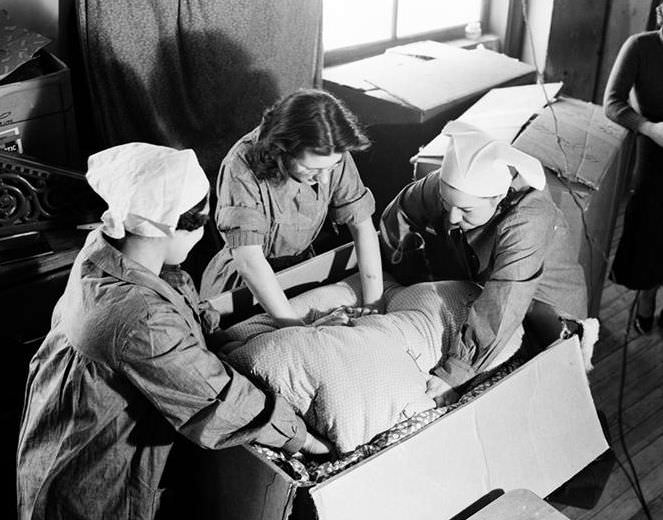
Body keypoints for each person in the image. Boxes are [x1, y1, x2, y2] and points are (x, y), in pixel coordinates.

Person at [16, 143, 328, 520]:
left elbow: (171, 313)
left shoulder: (104, 252)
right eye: (198, 226)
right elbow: (221, 401)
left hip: (54, 439)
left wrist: (216, 320)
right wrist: (304, 437)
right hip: (89, 482)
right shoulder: (139, 318)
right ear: (168, 226)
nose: (199, 238)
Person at [379, 120, 589, 405]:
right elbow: (399, 216)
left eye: (465, 210)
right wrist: (398, 282)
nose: (452, 217)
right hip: (488, 280)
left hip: (544, 308)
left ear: (497, 198)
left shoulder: (529, 219)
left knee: (539, 394)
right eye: (445, 202)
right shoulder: (454, 189)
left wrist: (453, 374)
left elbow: (504, 301)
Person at [200, 89, 383, 325]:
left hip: (301, 269)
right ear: (282, 150)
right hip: (246, 282)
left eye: (332, 167)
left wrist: (374, 304)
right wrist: (295, 328)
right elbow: (249, 261)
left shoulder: (331, 153)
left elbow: (362, 227)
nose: (325, 179)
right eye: (312, 170)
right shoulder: (241, 166)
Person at [604, 1, 663, 333]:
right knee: (652, 234)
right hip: (654, 154)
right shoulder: (640, 46)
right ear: (660, 14)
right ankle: (647, 297)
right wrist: (650, 128)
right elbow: (612, 103)